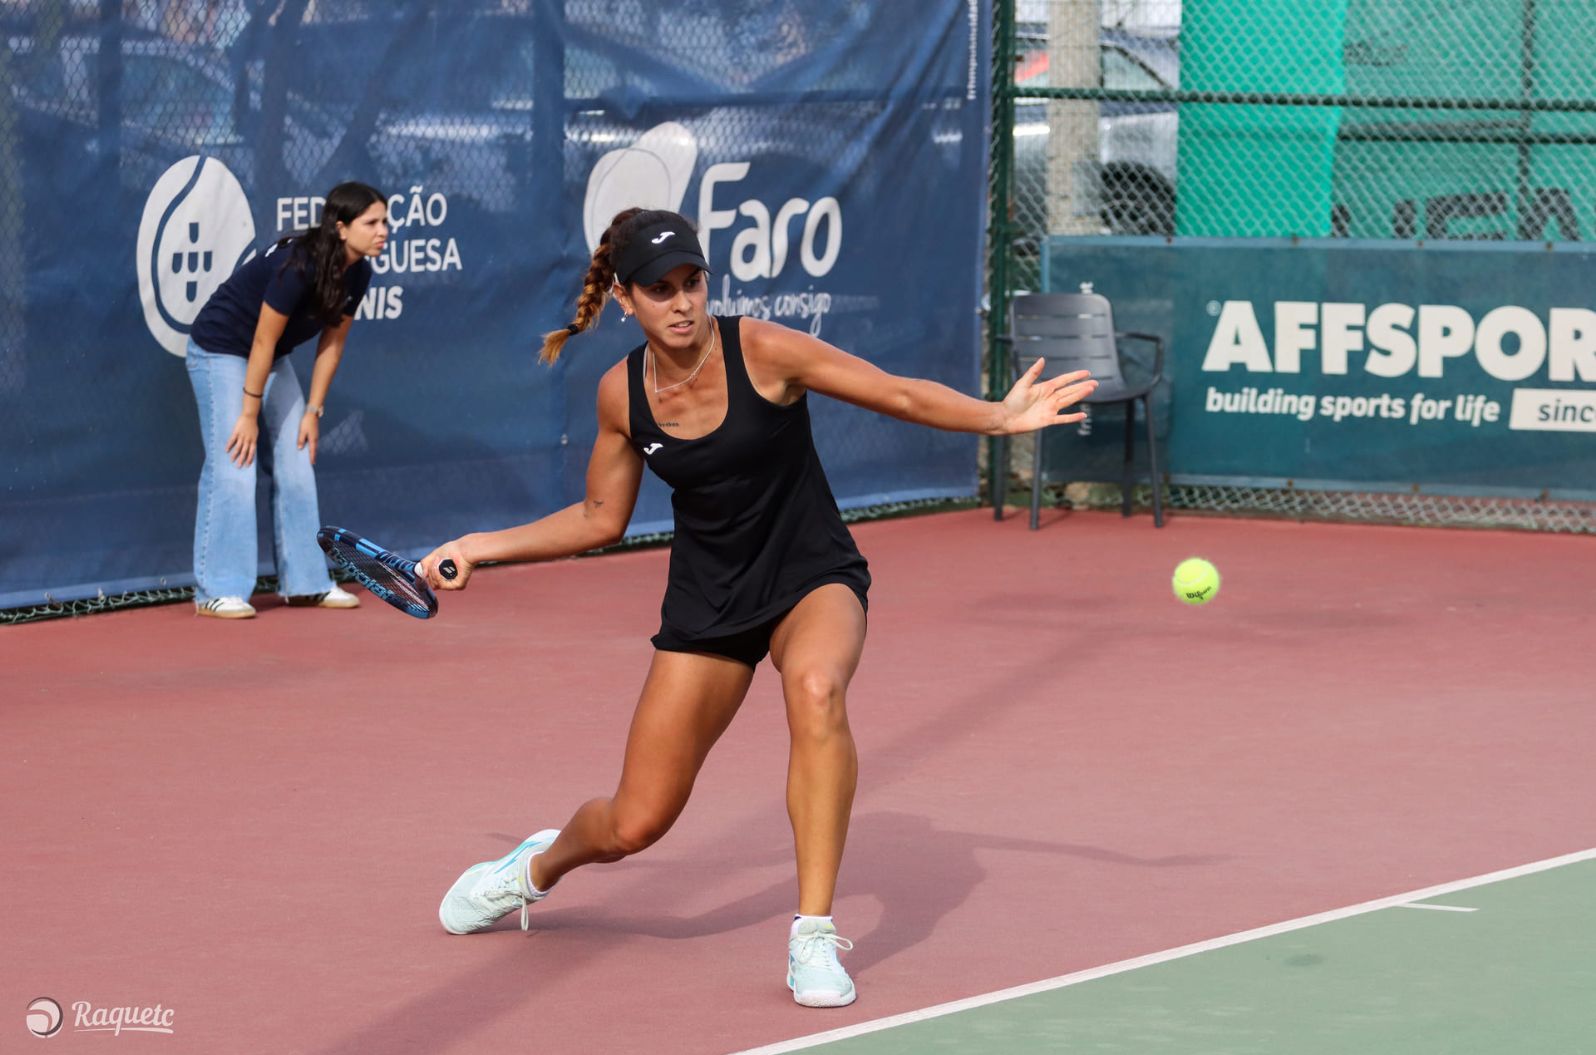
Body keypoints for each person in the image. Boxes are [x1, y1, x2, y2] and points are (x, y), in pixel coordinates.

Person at [420, 208, 1096, 1007]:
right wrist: (483, 544)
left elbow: (897, 395)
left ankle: (812, 933)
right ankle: (536, 867)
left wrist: (997, 417)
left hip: (812, 575)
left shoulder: (765, 351)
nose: (681, 302)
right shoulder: (621, 395)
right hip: (709, 601)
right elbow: (600, 518)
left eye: (692, 283)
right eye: (660, 289)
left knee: (816, 691)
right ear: (627, 302)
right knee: (635, 823)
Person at [185, 181, 387, 619]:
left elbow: (332, 345)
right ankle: (216, 589)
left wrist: (313, 410)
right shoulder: (298, 263)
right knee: (235, 461)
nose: (382, 230)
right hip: (221, 349)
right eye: (371, 222)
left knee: (297, 459)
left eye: (384, 221)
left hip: (267, 358)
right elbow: (262, 338)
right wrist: (248, 413)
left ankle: (306, 584)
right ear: (340, 227)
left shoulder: (360, 271)